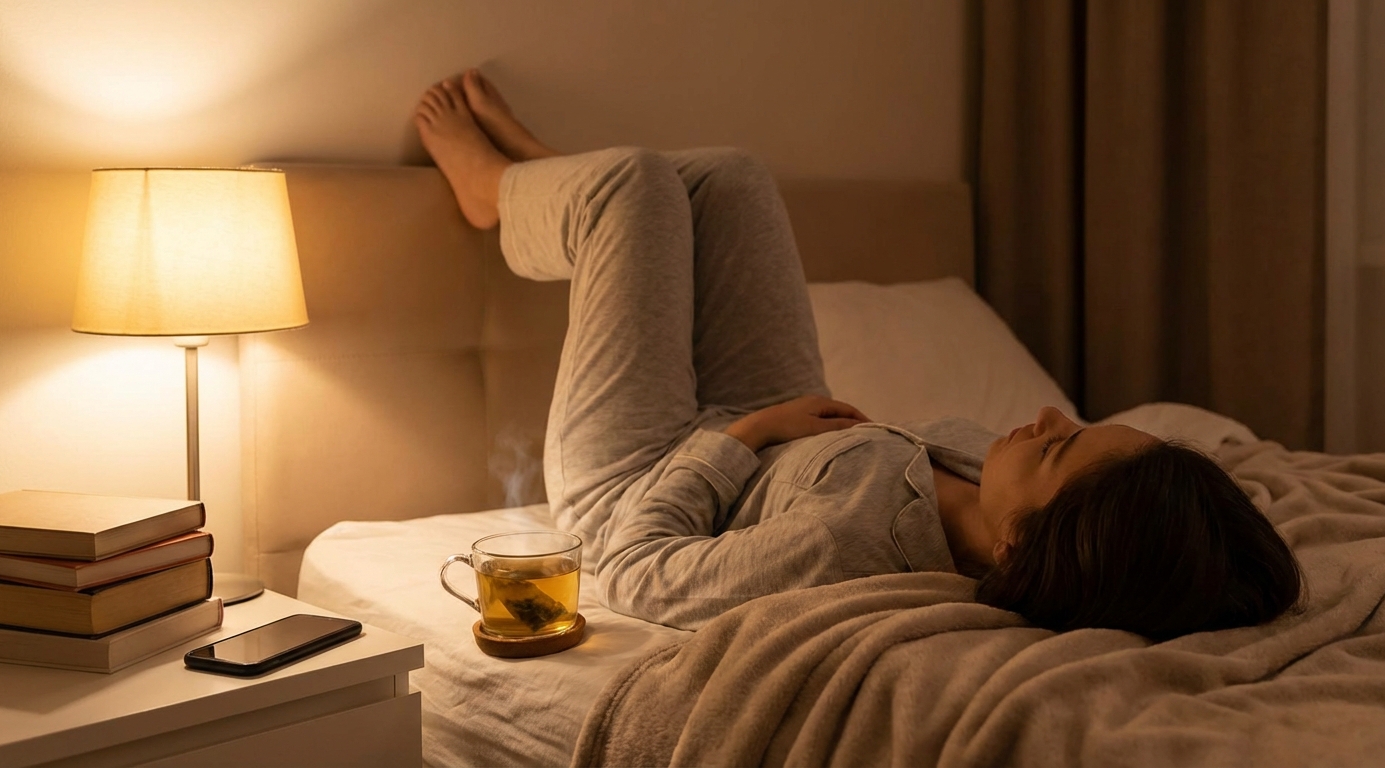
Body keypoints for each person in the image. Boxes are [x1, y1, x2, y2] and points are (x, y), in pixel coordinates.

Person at [414, 71, 1304, 640]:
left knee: (632, 182)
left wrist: (744, 437)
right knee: (729, 174)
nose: (1044, 416)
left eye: (1056, 447)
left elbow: (634, 570)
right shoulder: (987, 474)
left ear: (1018, 541)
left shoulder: (844, 547)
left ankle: (515, 193)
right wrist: (777, 425)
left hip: (641, 478)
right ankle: (571, 194)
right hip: (778, 423)